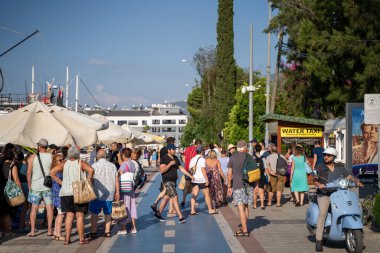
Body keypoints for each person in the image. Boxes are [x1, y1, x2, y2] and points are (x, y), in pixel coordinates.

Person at [312, 147, 363, 252]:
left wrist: (356, 181)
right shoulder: (319, 166)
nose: (326, 157)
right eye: (325, 155)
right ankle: (318, 240)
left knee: (353, 206)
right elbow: (314, 178)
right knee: (323, 213)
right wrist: (319, 184)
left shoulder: (340, 166)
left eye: (328, 155)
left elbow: (349, 176)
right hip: (324, 194)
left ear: (333, 157)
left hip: (338, 193)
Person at [50, 146, 94, 245]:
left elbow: (52, 172)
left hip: (65, 192)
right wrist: (88, 181)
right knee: (80, 216)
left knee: (69, 216)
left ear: (69, 154)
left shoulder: (64, 163)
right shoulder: (80, 163)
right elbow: (91, 170)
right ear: (77, 154)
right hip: (78, 191)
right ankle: (81, 239)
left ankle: (67, 239)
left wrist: (61, 182)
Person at [154, 144, 194, 223]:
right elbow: (162, 170)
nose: (174, 151)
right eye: (173, 149)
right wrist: (170, 164)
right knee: (175, 197)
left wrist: (190, 175)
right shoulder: (164, 158)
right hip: (167, 181)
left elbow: (181, 168)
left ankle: (158, 214)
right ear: (169, 150)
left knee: (166, 198)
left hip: (173, 181)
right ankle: (180, 217)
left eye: (175, 149)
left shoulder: (176, 158)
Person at [88, 149, 119, 238]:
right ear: (106, 156)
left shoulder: (93, 166)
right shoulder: (112, 166)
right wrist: (117, 192)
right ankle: (107, 231)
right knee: (108, 213)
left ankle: (93, 232)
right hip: (109, 193)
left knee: (94, 213)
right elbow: (116, 180)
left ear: (97, 156)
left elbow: (90, 180)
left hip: (97, 193)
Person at [27, 138, 54, 237]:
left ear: (39, 146)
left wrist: (29, 184)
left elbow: (29, 172)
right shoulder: (51, 156)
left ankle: (33, 231)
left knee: (34, 208)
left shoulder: (33, 157)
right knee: (49, 207)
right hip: (47, 186)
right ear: (46, 147)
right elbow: (53, 171)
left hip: (35, 187)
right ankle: (49, 230)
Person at [227, 140, 253, 237]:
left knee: (240, 207)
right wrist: (257, 186)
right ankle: (244, 227)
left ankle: (244, 230)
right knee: (246, 206)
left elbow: (230, 173)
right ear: (245, 147)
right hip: (249, 185)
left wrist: (229, 186)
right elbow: (255, 171)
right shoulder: (250, 157)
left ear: (237, 148)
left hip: (238, 185)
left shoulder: (233, 157)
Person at [189, 145, 218, 215]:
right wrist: (207, 180)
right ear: (202, 151)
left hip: (194, 179)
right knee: (207, 194)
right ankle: (210, 209)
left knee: (194, 195)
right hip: (202, 179)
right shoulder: (202, 159)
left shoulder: (192, 159)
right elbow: (203, 170)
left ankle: (192, 210)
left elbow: (190, 169)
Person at [151, 137, 176, 214]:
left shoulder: (162, 150)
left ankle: (155, 204)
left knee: (166, 190)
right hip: (169, 172)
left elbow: (159, 161)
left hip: (163, 172)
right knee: (171, 190)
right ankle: (170, 209)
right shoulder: (169, 150)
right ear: (172, 142)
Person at [0, 149, 22, 238]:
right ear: (13, 156)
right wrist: (20, 192)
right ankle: (7, 232)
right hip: (9, 191)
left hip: (1, 189)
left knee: (1, 212)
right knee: (7, 213)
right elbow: (16, 179)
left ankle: (2, 231)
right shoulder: (12, 166)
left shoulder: (1, 165)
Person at [118, 148, 137, 234]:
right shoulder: (132, 164)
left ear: (124, 155)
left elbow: (120, 174)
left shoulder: (123, 164)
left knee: (125, 206)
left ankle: (123, 228)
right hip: (131, 188)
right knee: (132, 206)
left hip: (124, 188)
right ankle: (134, 227)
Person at [181, 139, 202, 207]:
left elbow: (183, 158)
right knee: (195, 185)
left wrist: (187, 164)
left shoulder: (187, 149)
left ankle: (183, 199)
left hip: (187, 169)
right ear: (199, 144)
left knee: (187, 184)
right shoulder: (198, 150)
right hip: (194, 170)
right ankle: (193, 201)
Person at [51, 154, 65, 241]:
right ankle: (58, 234)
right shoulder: (58, 172)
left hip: (56, 194)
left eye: (63, 159)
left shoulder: (55, 170)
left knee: (59, 214)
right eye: (60, 160)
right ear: (56, 162)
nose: (62, 161)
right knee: (61, 215)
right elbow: (60, 183)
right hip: (59, 194)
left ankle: (55, 233)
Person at [252, 144, 267, 210]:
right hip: (261, 175)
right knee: (261, 190)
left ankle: (255, 205)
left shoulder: (252, 157)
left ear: (254, 149)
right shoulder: (263, 158)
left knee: (255, 190)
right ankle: (262, 205)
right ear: (260, 150)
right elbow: (265, 167)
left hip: (254, 175)